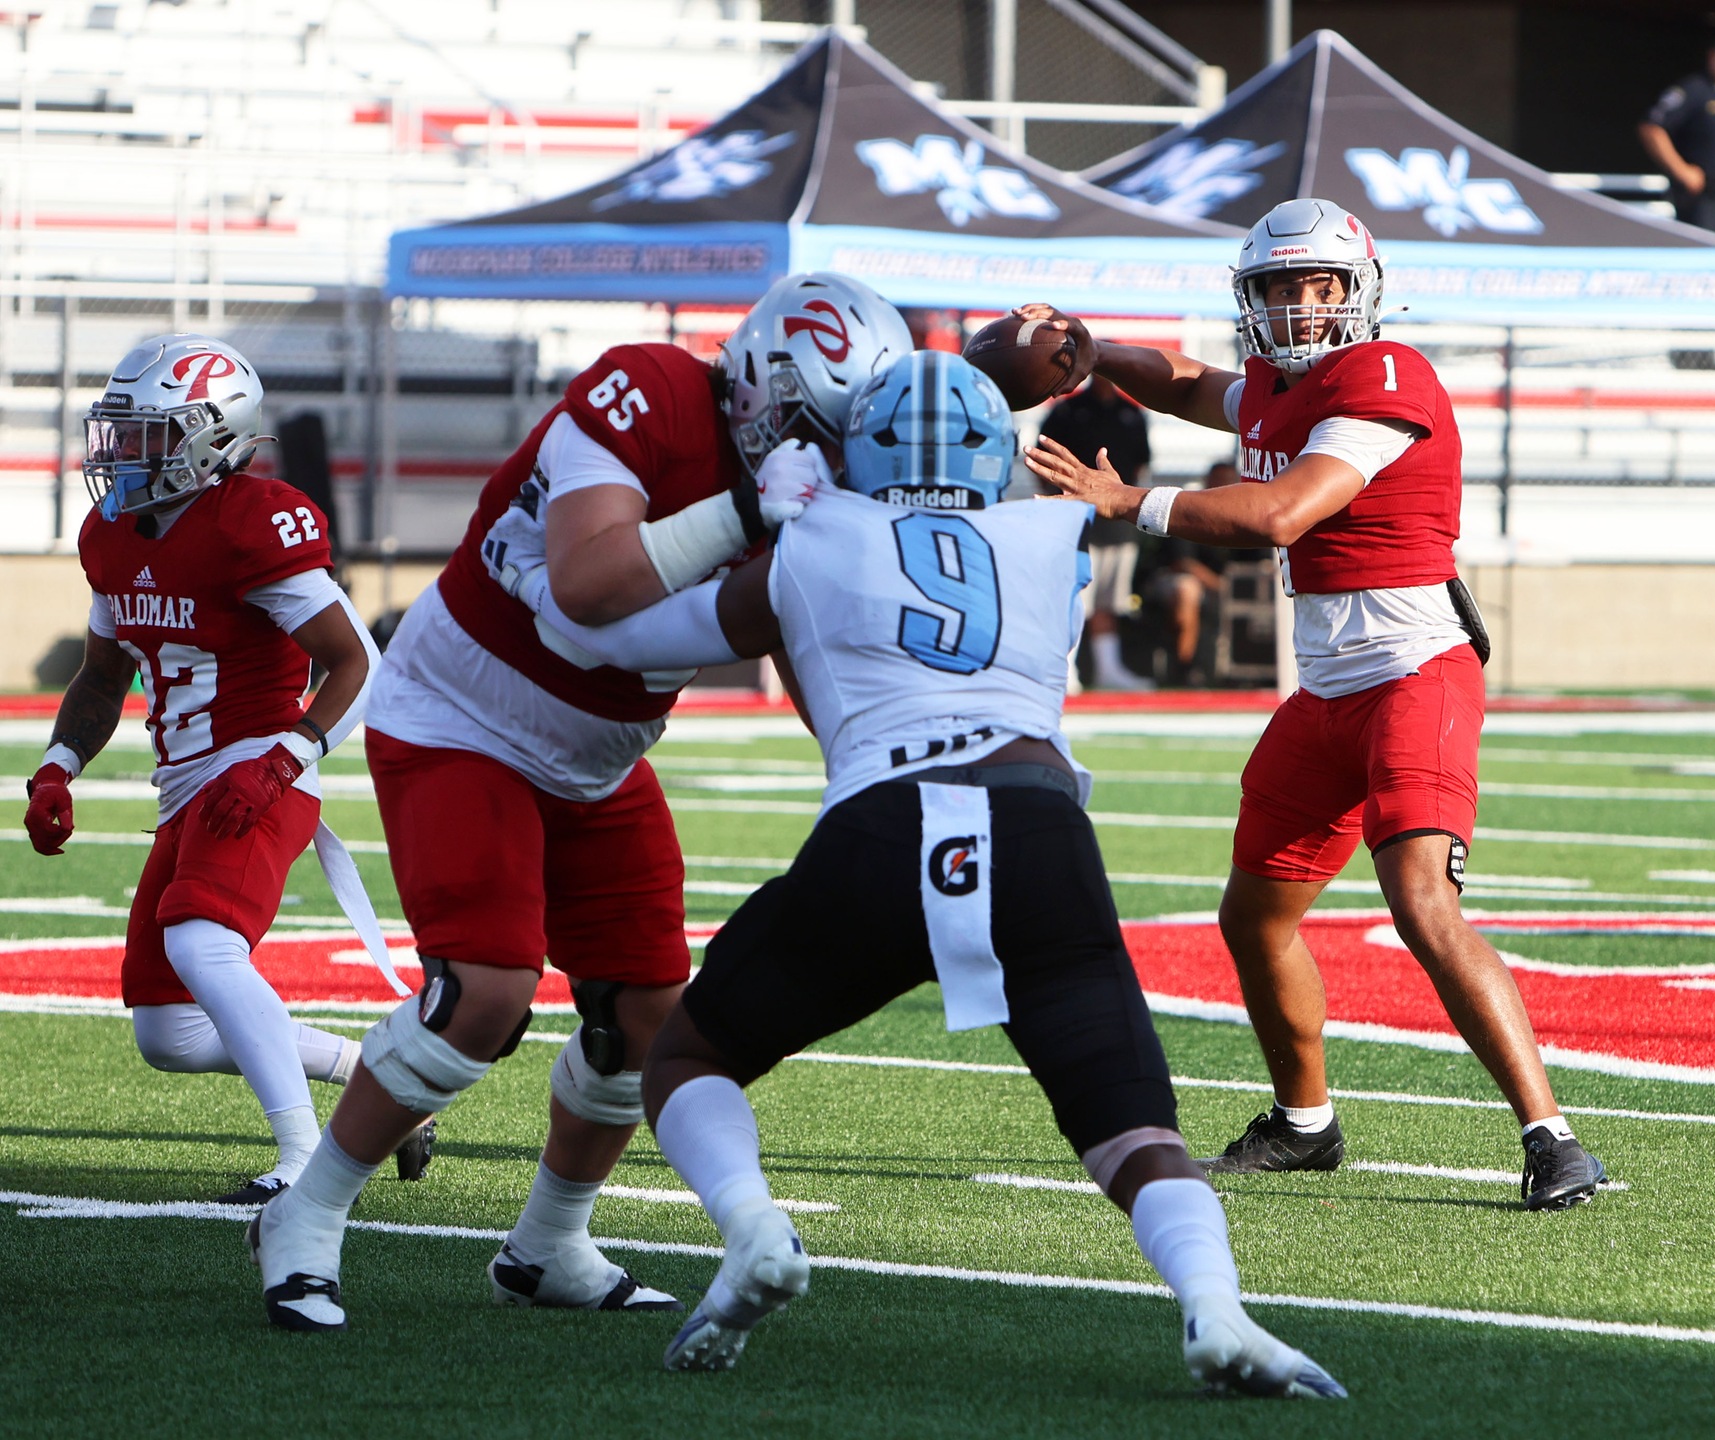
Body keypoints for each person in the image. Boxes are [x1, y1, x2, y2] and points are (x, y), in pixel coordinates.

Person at [490, 350, 1347, 1395]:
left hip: (883, 832)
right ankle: (1217, 1311)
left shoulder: (813, 540)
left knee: (680, 1059)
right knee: (1133, 1132)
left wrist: (545, 581)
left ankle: (756, 1229)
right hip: (1038, 833)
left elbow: (618, 634)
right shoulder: (1055, 538)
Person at [246, 272, 911, 1333]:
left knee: (648, 1019)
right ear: (753, 382)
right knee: (487, 993)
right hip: (460, 713)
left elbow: (806, 642)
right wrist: (748, 507)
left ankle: (549, 1242)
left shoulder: (813, 488)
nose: (818, 458)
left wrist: (871, 770)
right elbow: (589, 584)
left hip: (597, 755)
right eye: (804, 429)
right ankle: (308, 1214)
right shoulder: (644, 388)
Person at [1017, 197, 1610, 1210]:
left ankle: (1553, 1137)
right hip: (1329, 686)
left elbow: (1283, 509)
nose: (1298, 307)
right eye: (1280, 288)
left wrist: (1128, 503)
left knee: (1423, 903)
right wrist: (1095, 352)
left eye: (1318, 286)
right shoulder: (1271, 384)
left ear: (1357, 292)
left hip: (1413, 671)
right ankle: (1305, 1124)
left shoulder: (1385, 375)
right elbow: (1197, 383)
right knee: (1253, 915)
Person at [19, 334, 408, 1205]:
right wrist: (57, 765)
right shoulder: (110, 530)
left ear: (211, 437)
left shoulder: (250, 521)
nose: (121, 455)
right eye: (117, 433)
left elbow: (355, 663)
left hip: (259, 763)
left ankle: (308, 1163)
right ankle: (370, 1076)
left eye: (148, 436)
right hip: (187, 780)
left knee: (202, 941)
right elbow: (103, 671)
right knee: (170, 1031)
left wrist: (281, 763)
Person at [1040, 375, 1154, 691]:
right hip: (1077, 521)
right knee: (1074, 598)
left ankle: (1108, 670)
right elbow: (1042, 460)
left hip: (1118, 524)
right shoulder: (1067, 411)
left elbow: (1141, 465)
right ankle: (1066, 668)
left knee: (1109, 602)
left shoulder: (1130, 413)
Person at [1143, 461, 1257, 680]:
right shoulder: (1191, 507)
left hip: (1229, 586)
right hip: (1173, 580)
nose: (1225, 485)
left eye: (1230, 480)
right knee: (1187, 589)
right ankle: (1185, 666)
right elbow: (1183, 563)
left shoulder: (1246, 514)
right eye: (1220, 480)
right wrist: (1222, 585)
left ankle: (1249, 671)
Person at [1638, 33, 1715, 238]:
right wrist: (1681, 169)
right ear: (1713, 56)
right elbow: (1651, 128)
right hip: (1701, 197)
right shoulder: (1693, 90)